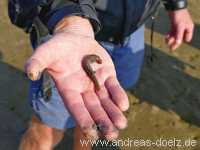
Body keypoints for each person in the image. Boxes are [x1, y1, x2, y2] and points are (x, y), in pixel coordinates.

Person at [8, 0, 194, 149]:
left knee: (97, 114)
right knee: (48, 127)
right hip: (68, 32)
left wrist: (177, 5)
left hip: (132, 30)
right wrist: (68, 17)